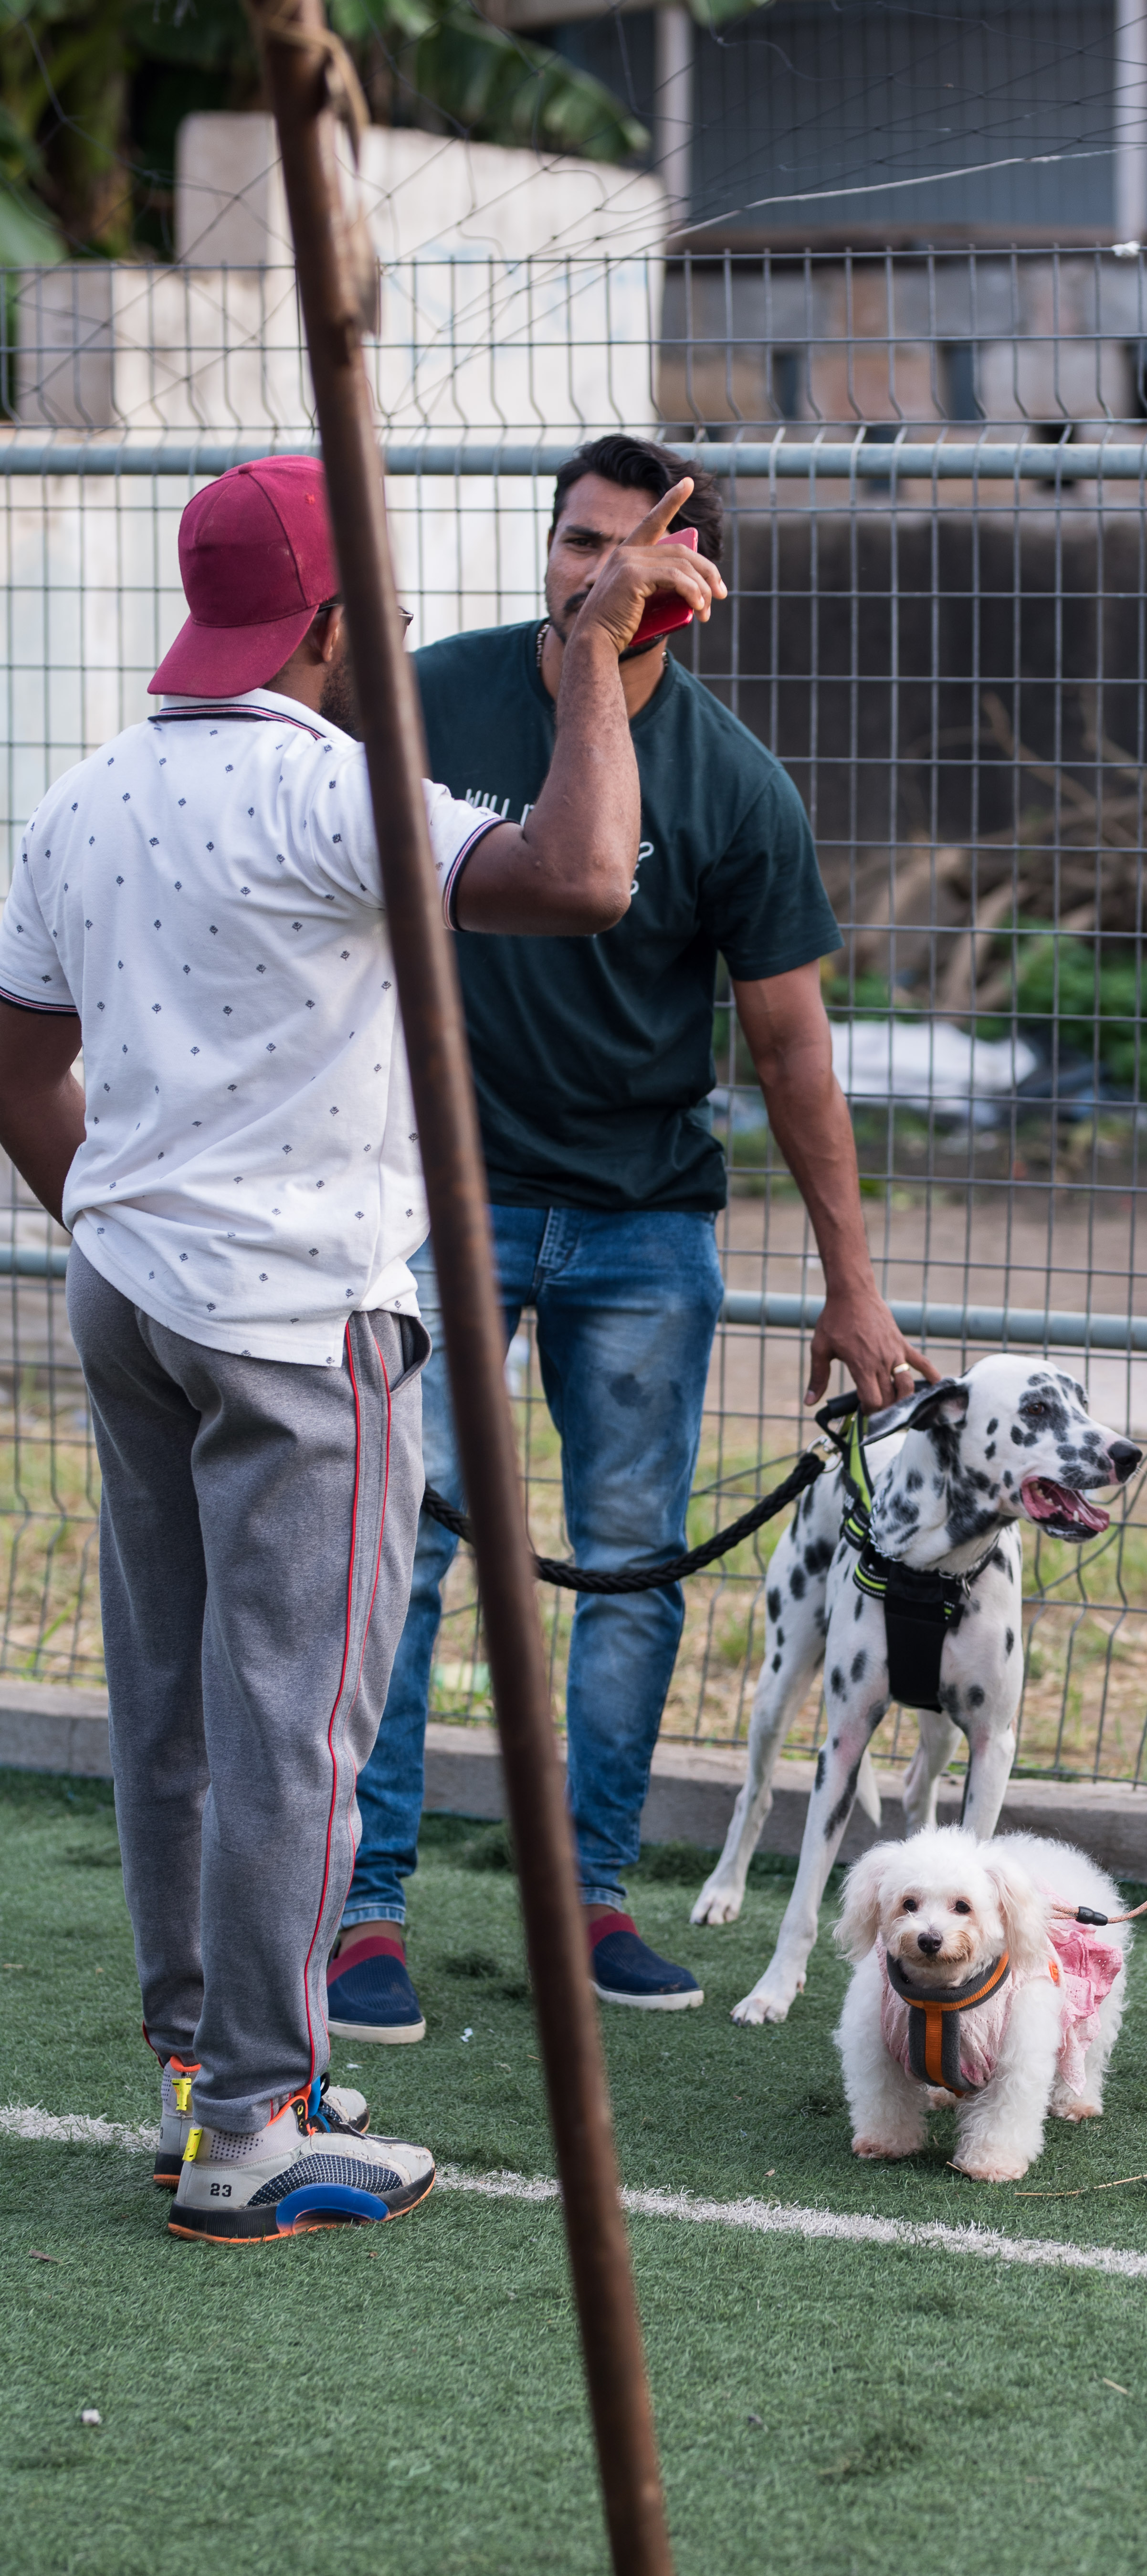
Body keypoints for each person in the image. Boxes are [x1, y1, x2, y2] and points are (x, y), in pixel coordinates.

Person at [0, 452, 706, 2240]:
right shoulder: (334, 787)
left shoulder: (80, 796)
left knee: (173, 1709)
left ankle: (205, 2078)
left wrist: (123, 1228)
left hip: (131, 1297)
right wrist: (592, 655)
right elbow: (588, 874)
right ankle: (257, 2124)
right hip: (300, 1322)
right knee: (296, 1726)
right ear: (329, 624)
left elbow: (15, 1066)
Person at [327, 432, 926, 2043]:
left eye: (629, 551)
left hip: (643, 1221)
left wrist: (854, 1288)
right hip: (432, 1205)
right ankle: (362, 1909)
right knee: (400, 1549)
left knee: (630, 1569)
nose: (592, 573)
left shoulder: (734, 785)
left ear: (692, 588)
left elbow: (792, 1048)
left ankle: (588, 1898)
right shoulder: (426, 702)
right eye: (574, 541)